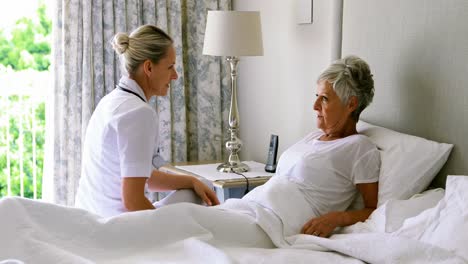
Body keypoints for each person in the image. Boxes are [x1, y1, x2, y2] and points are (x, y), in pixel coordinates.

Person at [75, 24, 220, 218]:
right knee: (201, 192)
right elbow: (133, 200)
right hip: (117, 228)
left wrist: (192, 180)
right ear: (149, 67)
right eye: (170, 67)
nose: (175, 76)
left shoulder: (111, 102)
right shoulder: (139, 113)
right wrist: (161, 233)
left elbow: (143, 178)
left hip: (92, 218)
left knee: (199, 184)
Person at [280, 54, 380, 237]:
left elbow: (372, 209)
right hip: (256, 206)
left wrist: (336, 218)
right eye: (317, 96)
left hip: (281, 223)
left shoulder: (359, 147)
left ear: (351, 104)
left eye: (324, 98)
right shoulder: (313, 137)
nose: (315, 105)